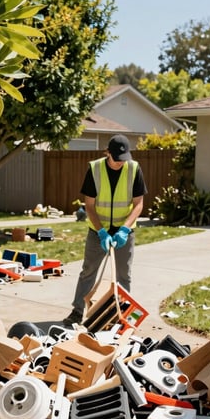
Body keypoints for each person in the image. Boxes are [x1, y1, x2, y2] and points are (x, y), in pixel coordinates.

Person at [64, 134, 147, 325]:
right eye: (116, 159)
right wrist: (102, 232)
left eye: (123, 159)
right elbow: (90, 206)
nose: (120, 163)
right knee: (88, 271)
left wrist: (125, 230)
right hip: (97, 231)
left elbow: (139, 204)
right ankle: (77, 311)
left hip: (124, 231)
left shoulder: (134, 168)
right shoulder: (95, 169)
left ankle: (121, 314)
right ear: (107, 153)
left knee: (123, 275)